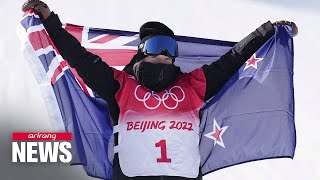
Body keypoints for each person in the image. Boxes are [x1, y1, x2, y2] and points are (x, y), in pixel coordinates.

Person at [22, 1, 298, 180]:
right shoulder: (119, 85)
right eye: (156, 47)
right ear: (141, 53)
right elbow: (79, 57)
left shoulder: (194, 84)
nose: (164, 55)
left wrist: (267, 31)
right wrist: (50, 21)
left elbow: (233, 59)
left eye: (170, 49)